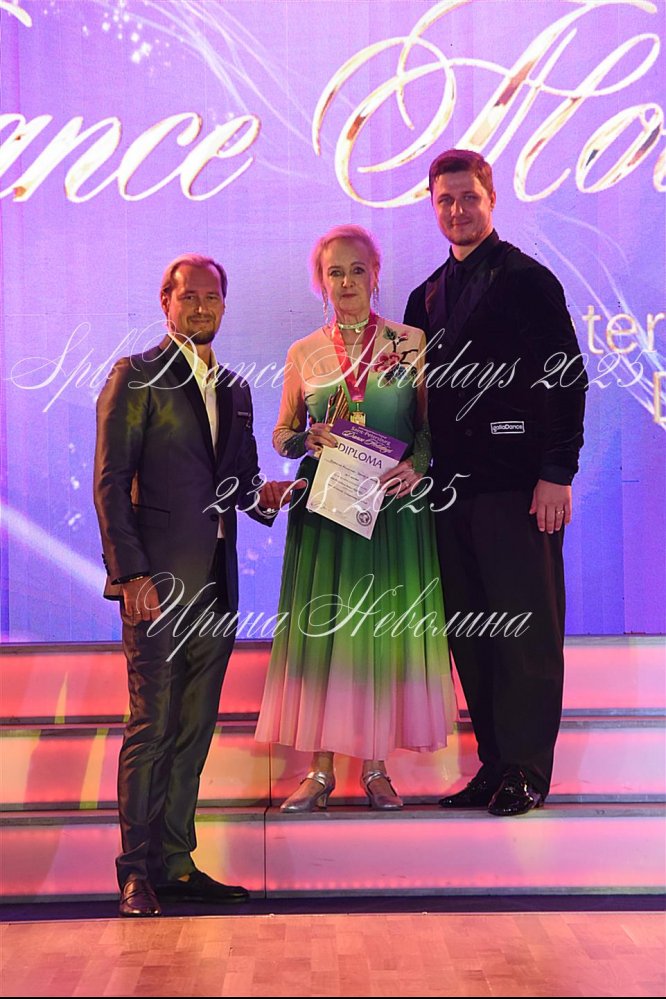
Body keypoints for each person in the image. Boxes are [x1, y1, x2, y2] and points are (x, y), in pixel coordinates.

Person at [94, 253, 297, 916]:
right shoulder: (135, 375)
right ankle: (135, 873)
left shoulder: (235, 388)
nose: (202, 307)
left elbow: (239, 482)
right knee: (151, 727)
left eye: (212, 297)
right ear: (167, 302)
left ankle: (176, 863)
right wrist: (129, 573)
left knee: (192, 730)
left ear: (224, 305)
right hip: (155, 585)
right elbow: (109, 484)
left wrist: (277, 493)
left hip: (215, 586)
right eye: (190, 297)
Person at [404, 149, 587, 816]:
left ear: (491, 199)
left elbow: (568, 378)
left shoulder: (529, 280)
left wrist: (556, 472)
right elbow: (413, 400)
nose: (457, 210)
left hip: (518, 487)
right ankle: (495, 764)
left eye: (468, 198)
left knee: (524, 633)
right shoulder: (424, 295)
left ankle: (528, 770)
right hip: (449, 492)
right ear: (433, 207)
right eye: (445, 200)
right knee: (472, 633)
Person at [255, 224, 456, 811]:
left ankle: (375, 768)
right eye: (334, 272)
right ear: (320, 281)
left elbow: (429, 428)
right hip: (328, 511)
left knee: (381, 632)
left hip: (393, 508)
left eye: (357, 269)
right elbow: (282, 434)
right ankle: (319, 772)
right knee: (327, 632)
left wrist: (418, 465)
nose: (346, 282)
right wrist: (306, 439)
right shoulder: (304, 351)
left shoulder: (409, 342)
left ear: (376, 274)